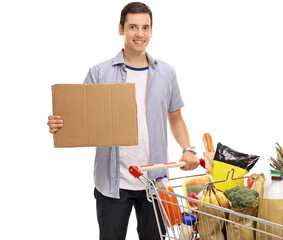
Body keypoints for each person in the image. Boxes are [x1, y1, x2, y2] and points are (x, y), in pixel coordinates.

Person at [47, 2, 199, 240]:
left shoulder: (166, 73)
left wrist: (188, 149)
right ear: (121, 29)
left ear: (151, 31)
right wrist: (60, 124)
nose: (140, 34)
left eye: (145, 27)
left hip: (155, 181)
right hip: (112, 181)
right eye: (133, 27)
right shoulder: (99, 73)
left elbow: (175, 117)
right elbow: (82, 119)